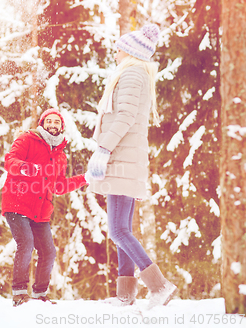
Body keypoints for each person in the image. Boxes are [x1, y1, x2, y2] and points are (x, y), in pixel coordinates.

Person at [86, 24, 178, 309]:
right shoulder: (132, 73)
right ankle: (125, 294)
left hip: (122, 158)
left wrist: (104, 147)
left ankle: (159, 286)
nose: (115, 51)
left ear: (130, 51)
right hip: (124, 159)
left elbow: (124, 116)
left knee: (117, 230)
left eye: (119, 46)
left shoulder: (132, 73)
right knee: (121, 227)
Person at [1, 108, 88, 307]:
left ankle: (40, 294)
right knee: (26, 243)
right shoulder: (27, 139)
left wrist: (84, 179)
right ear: (42, 124)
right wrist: (26, 167)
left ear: (61, 127)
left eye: (56, 122)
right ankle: (20, 293)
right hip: (17, 202)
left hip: (41, 211)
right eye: (48, 121)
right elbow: (10, 161)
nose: (52, 125)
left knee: (48, 252)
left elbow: (58, 186)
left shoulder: (60, 156)